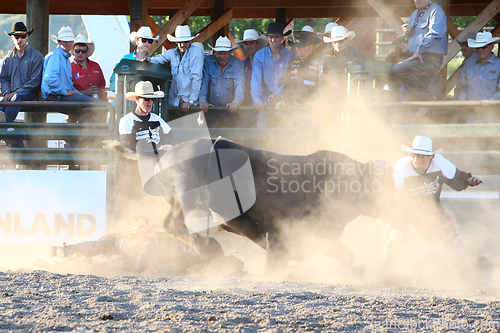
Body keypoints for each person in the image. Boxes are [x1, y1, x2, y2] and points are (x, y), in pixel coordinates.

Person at [384, 136, 482, 264]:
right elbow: (388, 189)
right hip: (404, 208)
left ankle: (462, 266)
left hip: (431, 209)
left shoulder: (439, 163)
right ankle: (386, 266)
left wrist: (468, 180)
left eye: (420, 155)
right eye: (413, 154)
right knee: (396, 235)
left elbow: (456, 177)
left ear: (430, 156)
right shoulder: (402, 167)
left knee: (453, 241)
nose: (415, 159)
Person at [47, 217, 243, 275]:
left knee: (108, 247)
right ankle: (67, 258)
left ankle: (67, 252)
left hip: (144, 253)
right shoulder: (200, 253)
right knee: (108, 258)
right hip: (144, 258)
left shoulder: (187, 241)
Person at [42, 26, 103, 124]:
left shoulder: (63, 57)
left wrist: (74, 93)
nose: (68, 43)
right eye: (65, 41)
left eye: (70, 41)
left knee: (95, 108)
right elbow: (50, 79)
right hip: (57, 97)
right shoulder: (55, 56)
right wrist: (65, 92)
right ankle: (79, 135)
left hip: (59, 96)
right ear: (59, 41)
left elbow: (67, 85)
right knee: (99, 105)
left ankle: (76, 136)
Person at [392, 0, 447, 101]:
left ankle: (426, 98)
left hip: (430, 58)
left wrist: (419, 51)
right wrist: (406, 32)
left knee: (399, 68)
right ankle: (427, 99)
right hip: (420, 57)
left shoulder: (436, 11)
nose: (417, 0)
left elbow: (434, 34)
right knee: (400, 70)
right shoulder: (415, 14)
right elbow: (412, 38)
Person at [0, 22, 44, 148]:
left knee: (14, 102)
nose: (20, 39)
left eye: (22, 36)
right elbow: (4, 78)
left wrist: (16, 92)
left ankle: (10, 133)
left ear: (27, 36)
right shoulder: (8, 58)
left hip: (30, 94)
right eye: (17, 37)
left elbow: (35, 81)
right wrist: (7, 92)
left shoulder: (36, 56)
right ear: (12, 38)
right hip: (12, 96)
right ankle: (17, 145)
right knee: (2, 108)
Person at [147, 25, 204, 112]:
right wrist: (149, 60)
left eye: (186, 41)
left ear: (190, 41)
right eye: (180, 41)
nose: (183, 44)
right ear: (176, 42)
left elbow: (196, 77)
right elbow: (161, 58)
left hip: (189, 105)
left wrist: (191, 101)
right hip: (174, 103)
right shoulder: (172, 53)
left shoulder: (196, 52)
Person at [199, 37, 245, 127]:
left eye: (225, 53)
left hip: (231, 113)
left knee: (231, 137)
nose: (222, 56)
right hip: (210, 112)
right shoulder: (208, 61)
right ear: (215, 52)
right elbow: (203, 83)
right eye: (219, 53)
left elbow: (240, 85)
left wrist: (236, 102)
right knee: (211, 137)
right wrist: (202, 101)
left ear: (230, 53)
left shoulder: (237, 64)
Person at [456, 32, 500, 122]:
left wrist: (486, 105)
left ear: (492, 47)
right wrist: (462, 102)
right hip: (470, 113)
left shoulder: (499, 65)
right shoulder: (468, 64)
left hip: (492, 114)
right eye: (478, 47)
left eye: (484, 47)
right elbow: (462, 87)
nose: (480, 50)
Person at [250, 22, 295, 111]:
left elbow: (291, 79)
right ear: (267, 38)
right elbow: (256, 81)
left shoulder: (291, 56)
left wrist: (277, 94)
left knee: (286, 124)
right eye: (271, 37)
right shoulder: (259, 55)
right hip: (264, 103)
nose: (273, 40)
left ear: (282, 38)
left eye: (276, 37)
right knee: (262, 125)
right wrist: (257, 100)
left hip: (284, 103)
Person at [118, 81, 173, 152]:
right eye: (146, 99)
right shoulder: (126, 121)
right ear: (137, 100)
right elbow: (128, 147)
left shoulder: (158, 120)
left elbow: (171, 141)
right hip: (137, 161)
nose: (150, 102)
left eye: (153, 99)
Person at [276, 30, 322, 109]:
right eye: (297, 47)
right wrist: (283, 99)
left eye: (303, 47)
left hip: (312, 110)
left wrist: (317, 101)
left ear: (311, 46)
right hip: (293, 108)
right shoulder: (293, 63)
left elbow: (325, 86)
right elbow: (287, 85)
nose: (299, 50)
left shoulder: (320, 62)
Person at [321, 25, 364, 102]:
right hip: (332, 97)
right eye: (335, 42)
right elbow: (322, 78)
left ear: (347, 40)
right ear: (331, 42)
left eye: (340, 41)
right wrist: (324, 97)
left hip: (352, 97)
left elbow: (364, 77)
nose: (337, 45)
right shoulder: (325, 55)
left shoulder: (357, 54)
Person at [109, 26, 158, 93]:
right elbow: (112, 82)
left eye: (150, 41)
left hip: (142, 102)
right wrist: (126, 86)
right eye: (144, 40)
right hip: (123, 101)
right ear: (137, 41)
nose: (147, 43)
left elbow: (155, 87)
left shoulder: (152, 63)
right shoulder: (124, 59)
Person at [70, 34, 107, 123]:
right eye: (77, 51)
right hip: (76, 112)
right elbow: (67, 90)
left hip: (97, 110)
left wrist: (104, 105)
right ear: (73, 51)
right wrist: (83, 93)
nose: (80, 53)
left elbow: (102, 86)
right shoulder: (69, 68)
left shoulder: (96, 66)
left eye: (83, 51)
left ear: (87, 51)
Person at [235, 29, 267, 106]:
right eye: (246, 44)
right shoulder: (242, 65)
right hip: (247, 106)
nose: (248, 46)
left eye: (251, 43)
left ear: (258, 44)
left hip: (265, 105)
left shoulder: (267, 63)